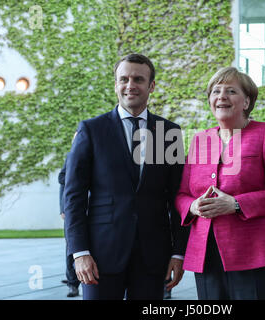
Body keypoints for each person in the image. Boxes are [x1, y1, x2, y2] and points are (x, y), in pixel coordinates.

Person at [64, 54, 189, 300]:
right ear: (116, 84)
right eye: (124, 79)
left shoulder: (168, 133)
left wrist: (178, 253)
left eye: (138, 79)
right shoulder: (92, 130)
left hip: (153, 257)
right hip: (100, 256)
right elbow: (74, 197)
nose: (130, 85)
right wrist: (79, 253)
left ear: (151, 86)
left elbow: (178, 197)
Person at [175, 67, 265, 300]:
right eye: (215, 91)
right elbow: (182, 194)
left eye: (231, 91)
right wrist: (192, 207)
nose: (221, 96)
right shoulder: (201, 140)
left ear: (246, 102)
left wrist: (236, 204)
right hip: (207, 256)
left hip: (258, 256)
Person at [58, 152, 80, 298]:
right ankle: (72, 284)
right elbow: (63, 183)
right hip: (73, 209)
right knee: (71, 248)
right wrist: (63, 208)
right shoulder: (71, 155)